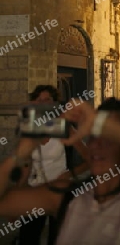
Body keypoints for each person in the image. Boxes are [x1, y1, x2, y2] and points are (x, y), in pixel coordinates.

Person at [0, 97, 120, 245]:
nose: (97, 144)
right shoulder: (68, 197)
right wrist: (20, 153)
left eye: (108, 137)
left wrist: (98, 121)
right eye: (94, 135)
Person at [17, 85, 88, 245]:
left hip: (60, 190)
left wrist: (69, 174)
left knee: (58, 238)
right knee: (28, 238)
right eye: (39, 99)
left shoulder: (64, 127)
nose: (43, 103)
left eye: (47, 99)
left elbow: (89, 158)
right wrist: (19, 188)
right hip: (36, 189)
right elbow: (25, 164)